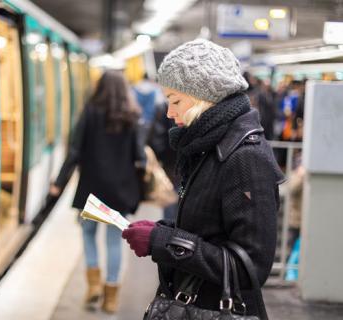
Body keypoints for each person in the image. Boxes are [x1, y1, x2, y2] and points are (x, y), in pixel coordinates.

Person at [121, 39, 285, 318]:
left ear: (204, 97)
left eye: (175, 101)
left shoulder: (245, 157)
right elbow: (212, 228)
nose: (170, 113)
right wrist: (162, 230)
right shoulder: (209, 145)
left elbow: (250, 267)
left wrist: (164, 242)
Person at [49, 70, 145, 313]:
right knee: (114, 242)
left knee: (88, 235)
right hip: (120, 192)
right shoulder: (132, 116)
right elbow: (140, 157)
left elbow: (74, 151)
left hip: (91, 191)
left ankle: (93, 285)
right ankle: (110, 296)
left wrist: (59, 182)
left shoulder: (90, 112)